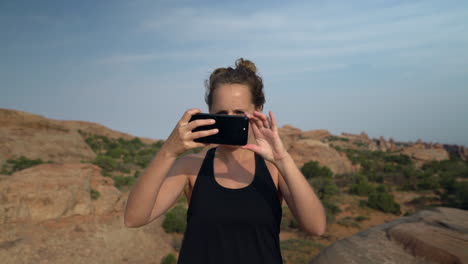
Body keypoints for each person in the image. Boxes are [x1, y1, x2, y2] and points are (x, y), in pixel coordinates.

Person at [124, 58, 326, 263]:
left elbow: (316, 227)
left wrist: (282, 160)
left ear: (258, 109)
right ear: (210, 113)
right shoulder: (191, 166)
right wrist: (168, 151)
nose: (230, 119)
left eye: (239, 113)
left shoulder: (275, 170)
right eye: (222, 114)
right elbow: (134, 218)